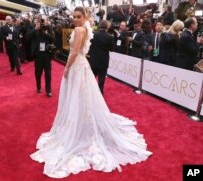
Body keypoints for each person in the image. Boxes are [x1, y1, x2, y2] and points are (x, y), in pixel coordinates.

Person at [31, 7, 152, 178]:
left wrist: (66, 67)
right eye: (74, 16)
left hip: (77, 66)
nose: (75, 19)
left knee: (79, 97)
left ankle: (80, 126)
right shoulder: (86, 27)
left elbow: (74, 51)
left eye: (79, 16)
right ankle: (80, 121)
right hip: (81, 66)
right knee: (81, 97)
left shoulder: (80, 29)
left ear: (85, 17)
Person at [88, 20, 114, 95]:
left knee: (91, 79)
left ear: (99, 26)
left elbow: (89, 44)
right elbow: (112, 49)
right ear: (107, 27)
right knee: (101, 81)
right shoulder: (110, 37)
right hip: (103, 62)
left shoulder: (93, 34)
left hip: (93, 60)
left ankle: (89, 93)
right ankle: (100, 95)